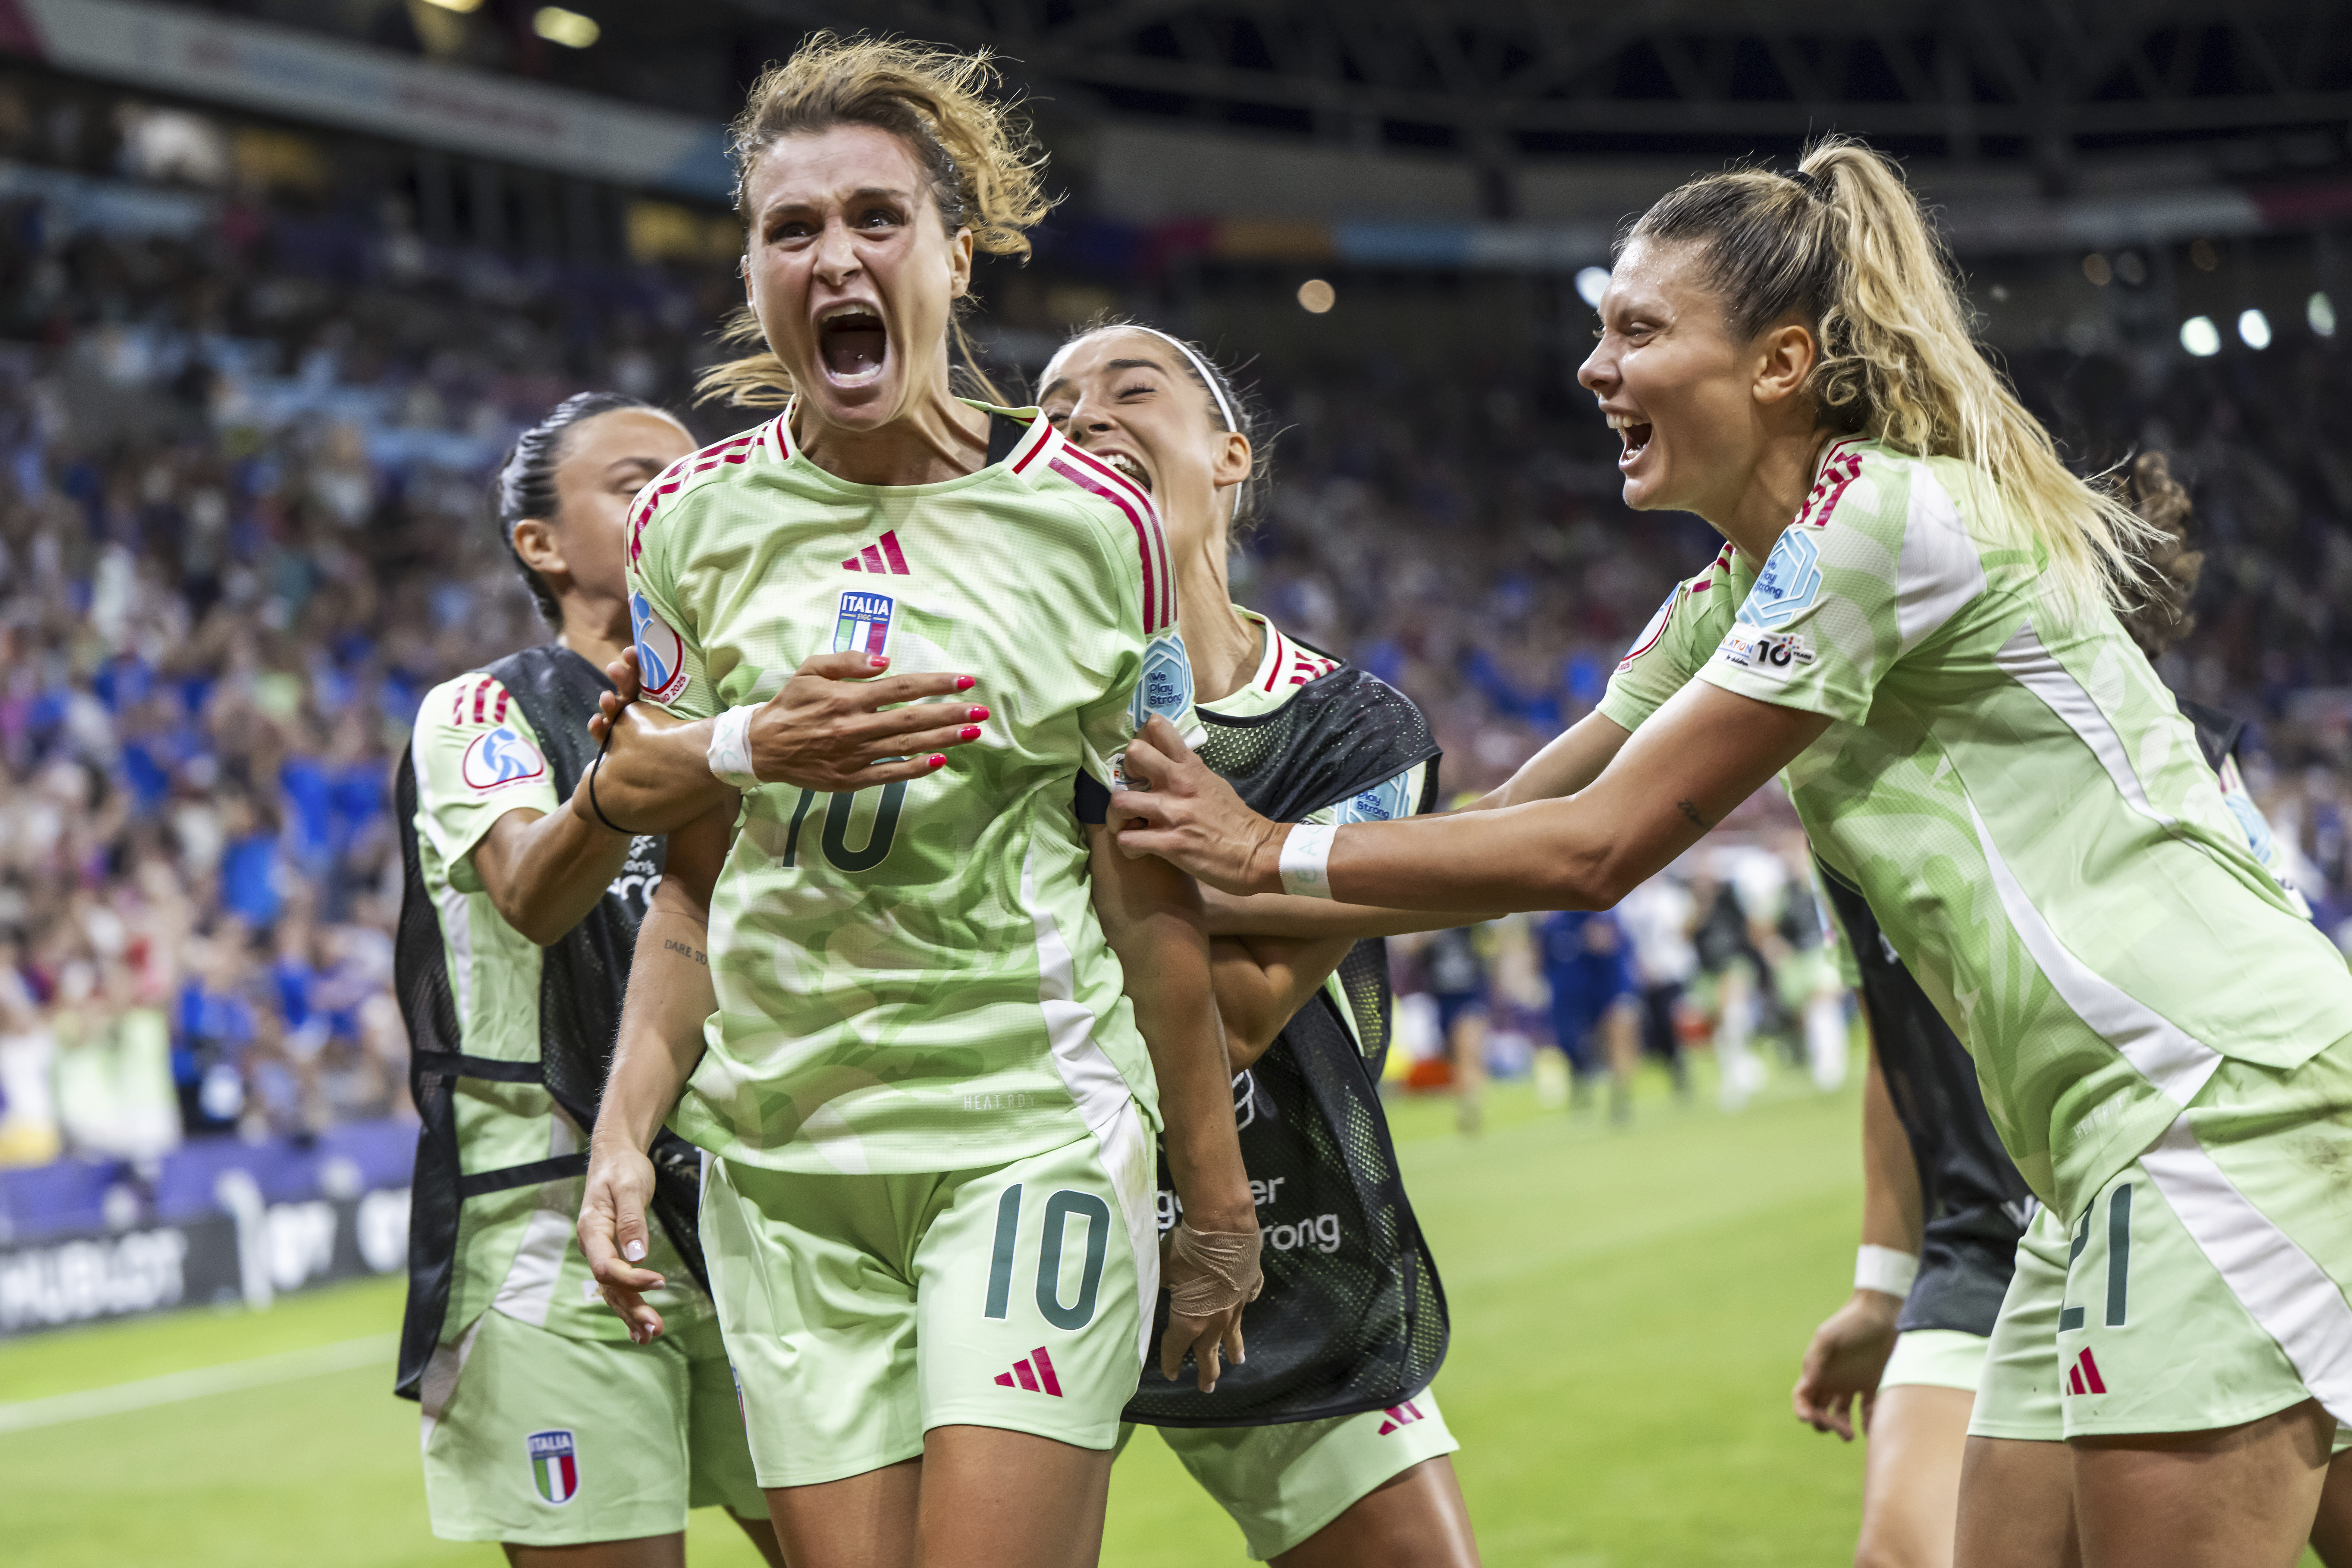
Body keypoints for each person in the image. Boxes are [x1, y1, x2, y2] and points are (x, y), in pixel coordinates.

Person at [1106, 135, 2352, 1567]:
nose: (1594, 365)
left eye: (1638, 330)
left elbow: (1595, 850)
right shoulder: (1733, 595)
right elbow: (1510, 811)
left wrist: (1259, 850)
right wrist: (1212, 897)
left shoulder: (1874, 520)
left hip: (2205, 1094)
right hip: (2106, 1143)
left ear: (1778, 365)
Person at [570, 37, 1259, 1568]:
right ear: (752, 271)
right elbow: (682, 863)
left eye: (876, 217)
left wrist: (1213, 1196)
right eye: (791, 228)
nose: (834, 256)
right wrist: (625, 1133)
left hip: (1022, 1132)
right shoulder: (690, 520)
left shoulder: (1097, 525)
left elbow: (1148, 872)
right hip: (784, 1170)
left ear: (956, 252)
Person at [1788, 451, 2351, 1568]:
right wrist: (1879, 1285)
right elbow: (1897, 1048)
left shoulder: (2174, 763)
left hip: (2177, 1174)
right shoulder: (1855, 778)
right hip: (2000, 1229)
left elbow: (2277, 962)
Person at [1035, 320, 1479, 1566]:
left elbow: (1234, 1010)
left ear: (1229, 454)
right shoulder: (1006, 698)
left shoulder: (1354, 729)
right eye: (1051, 411)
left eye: (1130, 389)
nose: (1082, 417)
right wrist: (1220, 875)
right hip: (1023, 1210)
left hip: (1284, 1236)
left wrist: (1074, 879)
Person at [394, 393, 792, 1563]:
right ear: (541, 544)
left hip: (753, 1201)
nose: (680, 498)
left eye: (697, 476)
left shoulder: (756, 706)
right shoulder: (484, 710)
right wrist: (622, 789)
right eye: (636, 483)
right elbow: (532, 889)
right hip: (551, 1218)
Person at [1535, 908, 1640, 1121]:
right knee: (1573, 1044)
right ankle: (1583, 1088)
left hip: (1610, 983)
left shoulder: (1603, 911)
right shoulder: (1557, 924)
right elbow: (1543, 957)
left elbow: (1608, 942)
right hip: (1576, 990)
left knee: (1618, 1036)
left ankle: (1620, 1097)